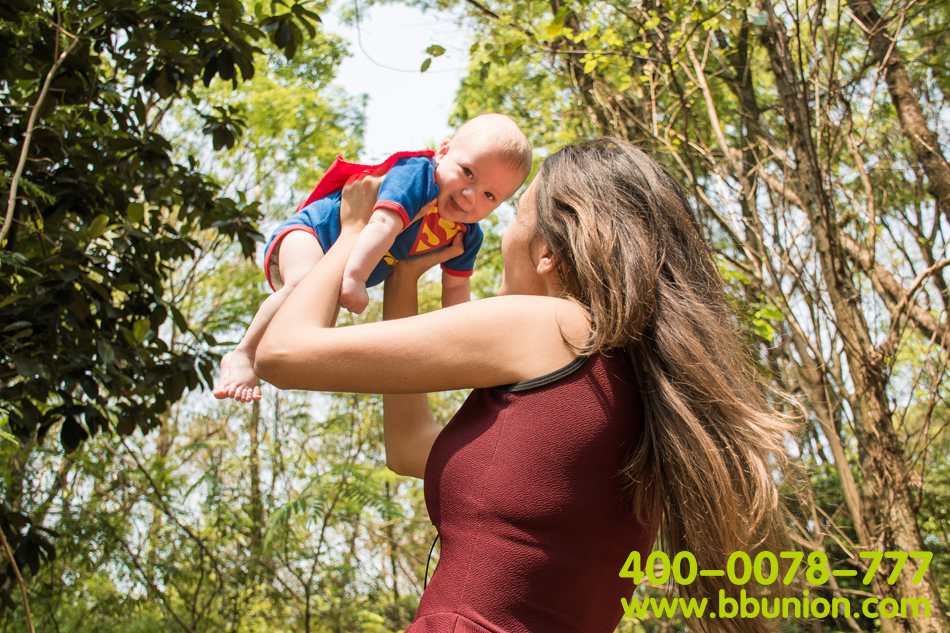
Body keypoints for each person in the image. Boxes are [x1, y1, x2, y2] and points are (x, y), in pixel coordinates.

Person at [255, 138, 794, 633]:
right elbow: (409, 447)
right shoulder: (635, 386)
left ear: (547, 252)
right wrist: (405, 276)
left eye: (514, 215)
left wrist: (353, 231)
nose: (501, 233)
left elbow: (283, 353)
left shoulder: (553, 326)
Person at [214, 113, 532, 402]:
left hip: (340, 264)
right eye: (467, 173)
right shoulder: (418, 176)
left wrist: (466, 342)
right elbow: (382, 224)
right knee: (301, 284)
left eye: (490, 195)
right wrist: (355, 277)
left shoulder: (466, 235)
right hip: (314, 232)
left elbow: (456, 291)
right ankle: (243, 353)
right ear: (443, 152)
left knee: (313, 329)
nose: (470, 195)